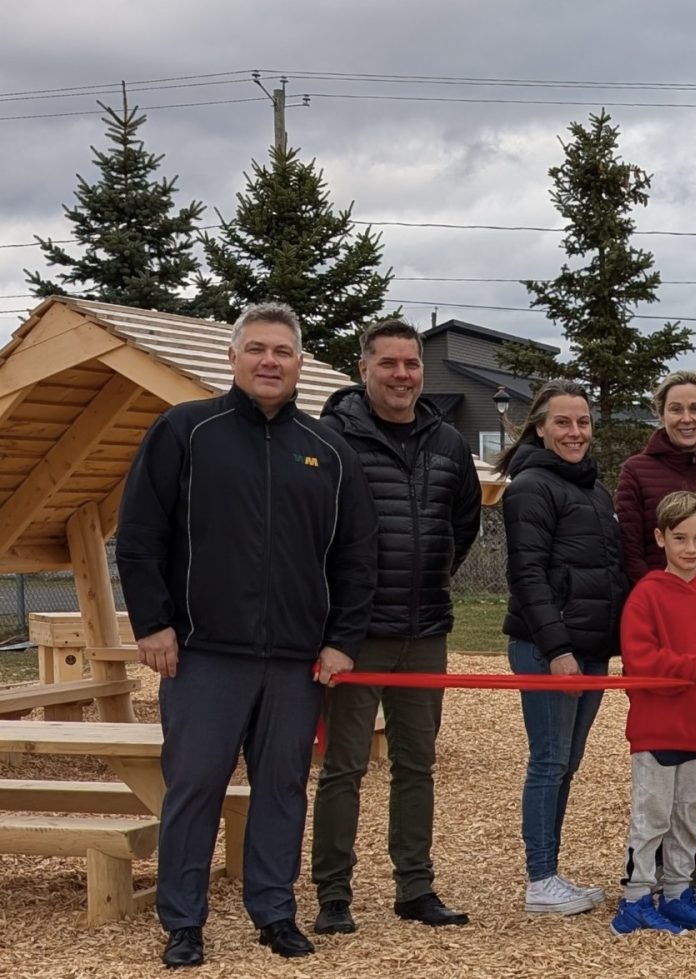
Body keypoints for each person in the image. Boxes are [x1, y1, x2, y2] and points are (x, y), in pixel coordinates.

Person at [116, 302, 378, 968]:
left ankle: (274, 909)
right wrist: (153, 623)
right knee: (196, 785)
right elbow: (141, 534)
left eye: (283, 351)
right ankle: (182, 919)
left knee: (284, 787)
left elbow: (358, 554)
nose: (270, 361)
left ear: (298, 364)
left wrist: (342, 638)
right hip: (203, 654)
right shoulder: (186, 431)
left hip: (295, 660)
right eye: (257, 348)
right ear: (233, 358)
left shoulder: (328, 451)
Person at [310, 319, 482, 935]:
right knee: (344, 766)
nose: (403, 374)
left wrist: (431, 575)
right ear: (364, 369)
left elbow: (463, 527)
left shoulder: (447, 443)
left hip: (425, 627)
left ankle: (415, 886)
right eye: (389, 363)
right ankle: (333, 893)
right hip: (355, 634)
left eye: (411, 364)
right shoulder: (333, 438)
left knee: (417, 764)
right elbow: (314, 532)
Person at [498, 379, 629, 915]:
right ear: (540, 426)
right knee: (549, 760)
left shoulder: (593, 490)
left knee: (566, 762)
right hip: (550, 648)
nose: (575, 432)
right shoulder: (530, 486)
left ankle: (551, 872)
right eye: (563, 422)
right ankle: (539, 877)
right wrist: (557, 649)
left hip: (590, 646)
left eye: (582, 423)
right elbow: (527, 575)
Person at [611, 490, 696, 936]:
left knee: (689, 819)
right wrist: (691, 668)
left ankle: (678, 894)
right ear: (660, 538)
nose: (691, 549)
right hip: (656, 729)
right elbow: (639, 659)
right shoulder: (645, 595)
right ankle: (633, 901)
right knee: (651, 819)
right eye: (680, 538)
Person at [615, 370, 696, 583]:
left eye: (695, 408)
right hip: (657, 606)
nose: (686, 419)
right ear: (661, 415)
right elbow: (630, 552)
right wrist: (657, 598)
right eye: (675, 409)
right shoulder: (635, 472)